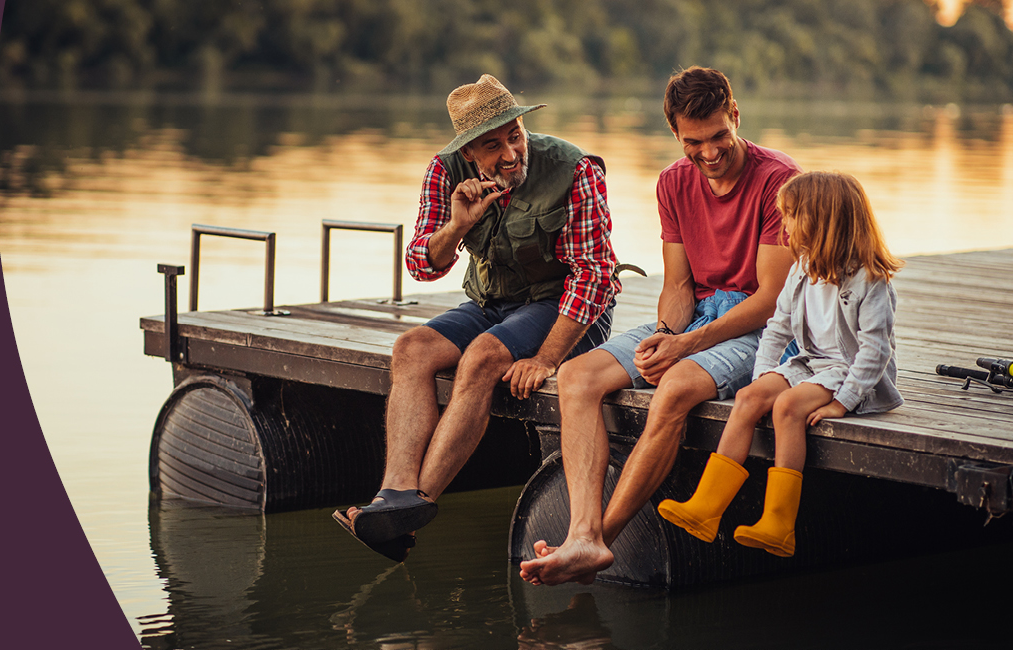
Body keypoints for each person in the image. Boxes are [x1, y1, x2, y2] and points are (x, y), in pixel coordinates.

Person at [518, 67, 803, 585]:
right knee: (576, 377)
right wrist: (667, 337)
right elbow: (678, 285)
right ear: (675, 132)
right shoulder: (673, 181)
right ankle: (582, 533)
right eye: (695, 142)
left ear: (735, 116)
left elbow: (770, 300)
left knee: (674, 388)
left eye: (720, 135)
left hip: (765, 329)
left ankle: (599, 539)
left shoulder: (780, 180)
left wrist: (687, 346)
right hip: (696, 316)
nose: (710, 153)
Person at [333, 74, 618, 561]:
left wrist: (547, 358)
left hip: (565, 308)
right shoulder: (443, 172)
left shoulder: (574, 169)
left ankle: (415, 507)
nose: (510, 154)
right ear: (469, 153)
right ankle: (394, 497)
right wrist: (457, 224)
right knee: (411, 349)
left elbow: (594, 278)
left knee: (483, 356)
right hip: (491, 303)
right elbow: (423, 263)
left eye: (516, 135)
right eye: (493, 146)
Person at [655, 171, 902, 557]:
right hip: (810, 364)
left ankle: (778, 523)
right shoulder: (801, 271)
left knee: (787, 407)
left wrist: (845, 401)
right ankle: (706, 507)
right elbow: (777, 329)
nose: (783, 225)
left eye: (790, 215)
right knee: (750, 400)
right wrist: (765, 375)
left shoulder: (870, 280)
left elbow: (874, 352)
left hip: (851, 373)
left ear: (821, 221)